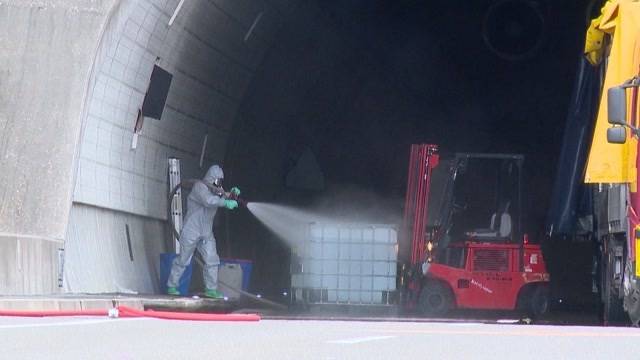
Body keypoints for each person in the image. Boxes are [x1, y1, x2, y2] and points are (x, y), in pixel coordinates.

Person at [166, 164, 240, 298]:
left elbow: (221, 196)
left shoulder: (216, 190)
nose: (219, 184)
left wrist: (231, 195)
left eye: (221, 181)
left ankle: (211, 290)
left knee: (212, 259)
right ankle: (172, 285)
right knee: (183, 260)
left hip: (206, 232)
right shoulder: (200, 187)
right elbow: (209, 201)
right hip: (191, 230)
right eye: (218, 180)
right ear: (212, 178)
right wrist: (225, 202)